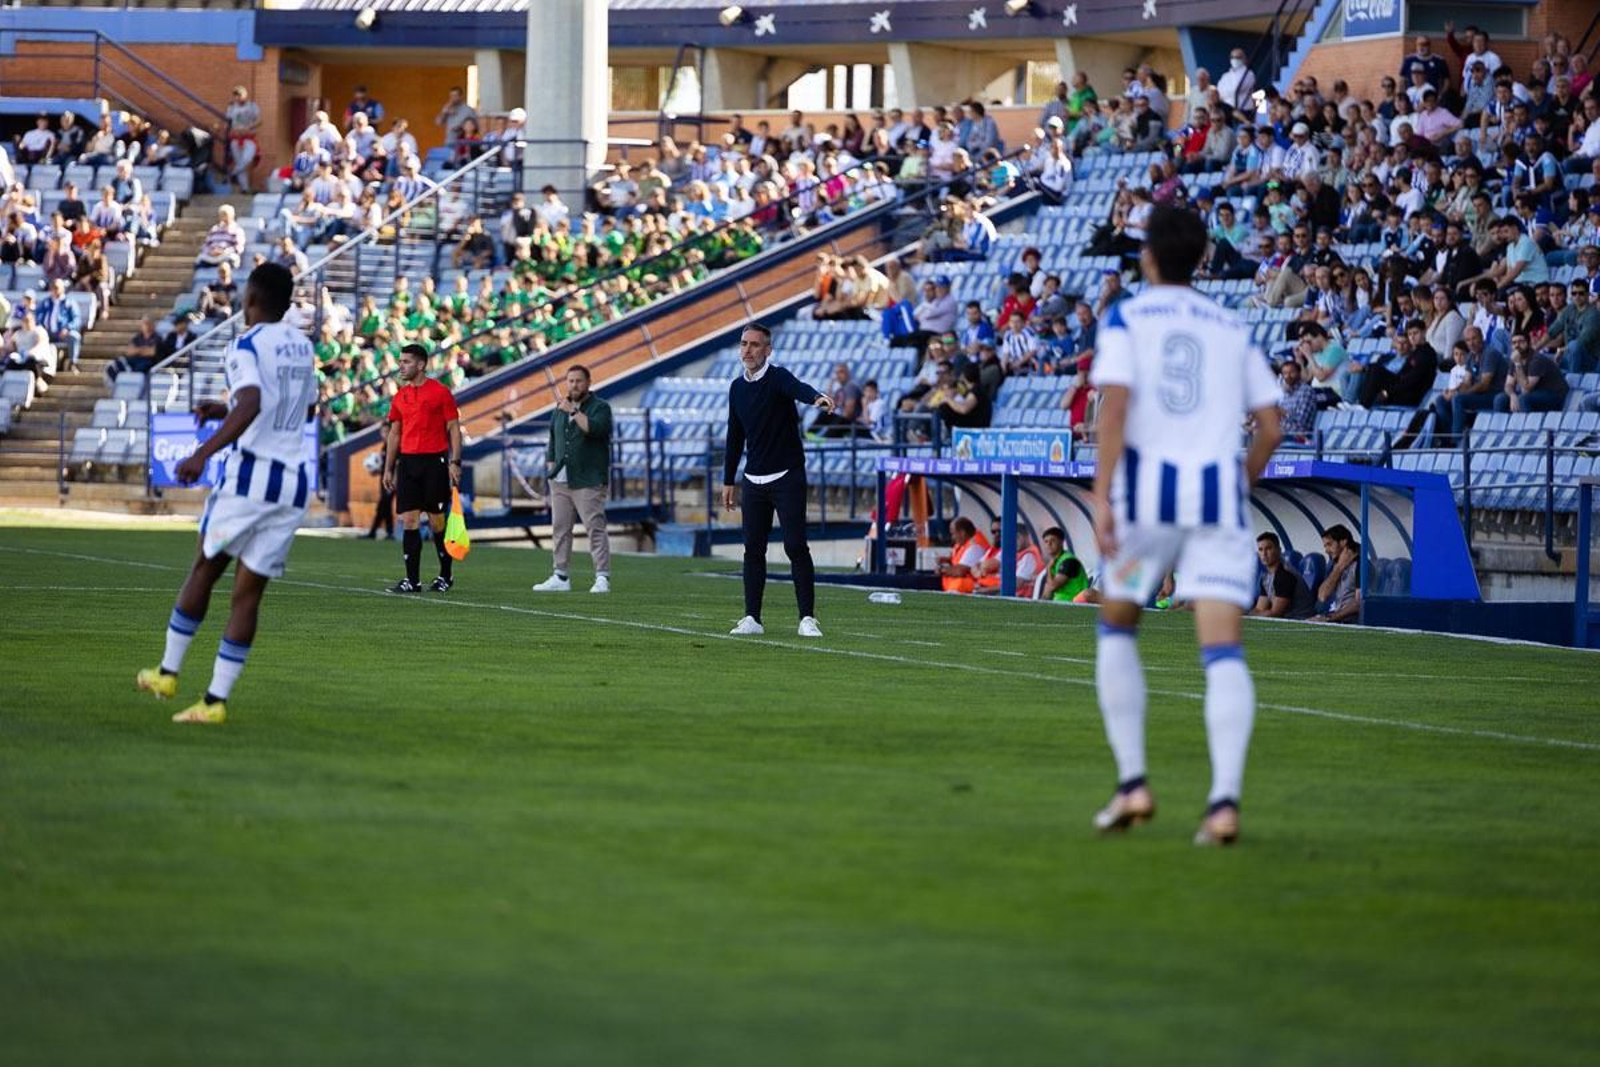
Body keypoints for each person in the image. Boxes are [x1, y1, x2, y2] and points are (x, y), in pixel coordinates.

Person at [1086, 204, 1284, 847]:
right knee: (1222, 650)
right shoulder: (1232, 325)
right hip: (1216, 502)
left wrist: (1101, 496)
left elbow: (1114, 409)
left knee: (1118, 625)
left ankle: (1133, 784)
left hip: (1149, 502)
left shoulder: (1126, 317)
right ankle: (1223, 803)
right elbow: (1273, 424)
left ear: (1147, 255)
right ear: (1203, 257)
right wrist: (1240, 484)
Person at [134, 264, 316, 724]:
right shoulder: (302, 345)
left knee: (203, 568)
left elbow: (253, 400)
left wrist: (202, 451)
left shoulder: (247, 343)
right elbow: (306, 405)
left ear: (250, 301)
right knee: (247, 595)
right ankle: (214, 702)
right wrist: (224, 407)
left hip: (252, 478)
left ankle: (167, 672)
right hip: (293, 482)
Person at [722, 323, 833, 638]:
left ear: (767, 350)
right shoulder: (737, 387)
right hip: (753, 480)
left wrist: (816, 398)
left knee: (795, 546)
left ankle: (807, 618)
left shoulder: (778, 377)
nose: (748, 350)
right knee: (752, 549)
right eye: (744, 344)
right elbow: (734, 436)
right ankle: (752, 618)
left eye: (755, 345)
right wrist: (728, 479)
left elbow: (797, 388)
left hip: (787, 475)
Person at [381, 343, 463, 593]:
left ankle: (445, 576)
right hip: (408, 463)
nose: (401, 366)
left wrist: (455, 461)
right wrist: (388, 467)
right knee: (409, 521)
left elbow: (453, 428)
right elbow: (395, 434)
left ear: (421, 364)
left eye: (406, 362)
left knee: (438, 521)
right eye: (400, 361)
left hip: (434, 462)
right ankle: (412, 580)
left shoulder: (440, 392)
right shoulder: (400, 396)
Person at [533, 365, 614, 594]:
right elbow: (552, 439)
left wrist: (573, 412)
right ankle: (560, 575)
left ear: (588, 383)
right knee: (560, 528)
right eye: (570, 381)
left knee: (594, 527)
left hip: (588, 478)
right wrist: (551, 468)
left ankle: (602, 577)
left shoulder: (600, 408)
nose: (574, 385)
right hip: (560, 480)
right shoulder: (558, 409)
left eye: (578, 381)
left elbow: (595, 430)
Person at [1248, 532, 1315, 619]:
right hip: (1287, 620)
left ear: (1278, 550)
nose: (1264, 554)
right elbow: (1259, 608)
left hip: (1302, 620)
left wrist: (1249, 614)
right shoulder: (1265, 577)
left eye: (1268, 549)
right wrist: (1250, 614)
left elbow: (1275, 613)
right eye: (1260, 549)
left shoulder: (1285, 575)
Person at [1311, 524, 1361, 623]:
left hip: (1352, 622)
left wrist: (1329, 618)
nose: (1326, 550)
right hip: (1337, 619)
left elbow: (1360, 603)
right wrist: (1340, 567)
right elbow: (1322, 596)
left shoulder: (1361, 565)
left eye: (1329, 544)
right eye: (1325, 546)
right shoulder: (1334, 565)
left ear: (1343, 542)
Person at [1039, 526, 1090, 602]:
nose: (1049, 544)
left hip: (1074, 602)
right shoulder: (1055, 561)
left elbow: (1053, 586)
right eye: (1046, 542)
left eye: (1053, 540)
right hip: (1061, 603)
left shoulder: (1069, 561)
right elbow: (1048, 590)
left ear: (1061, 542)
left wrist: (1049, 568)